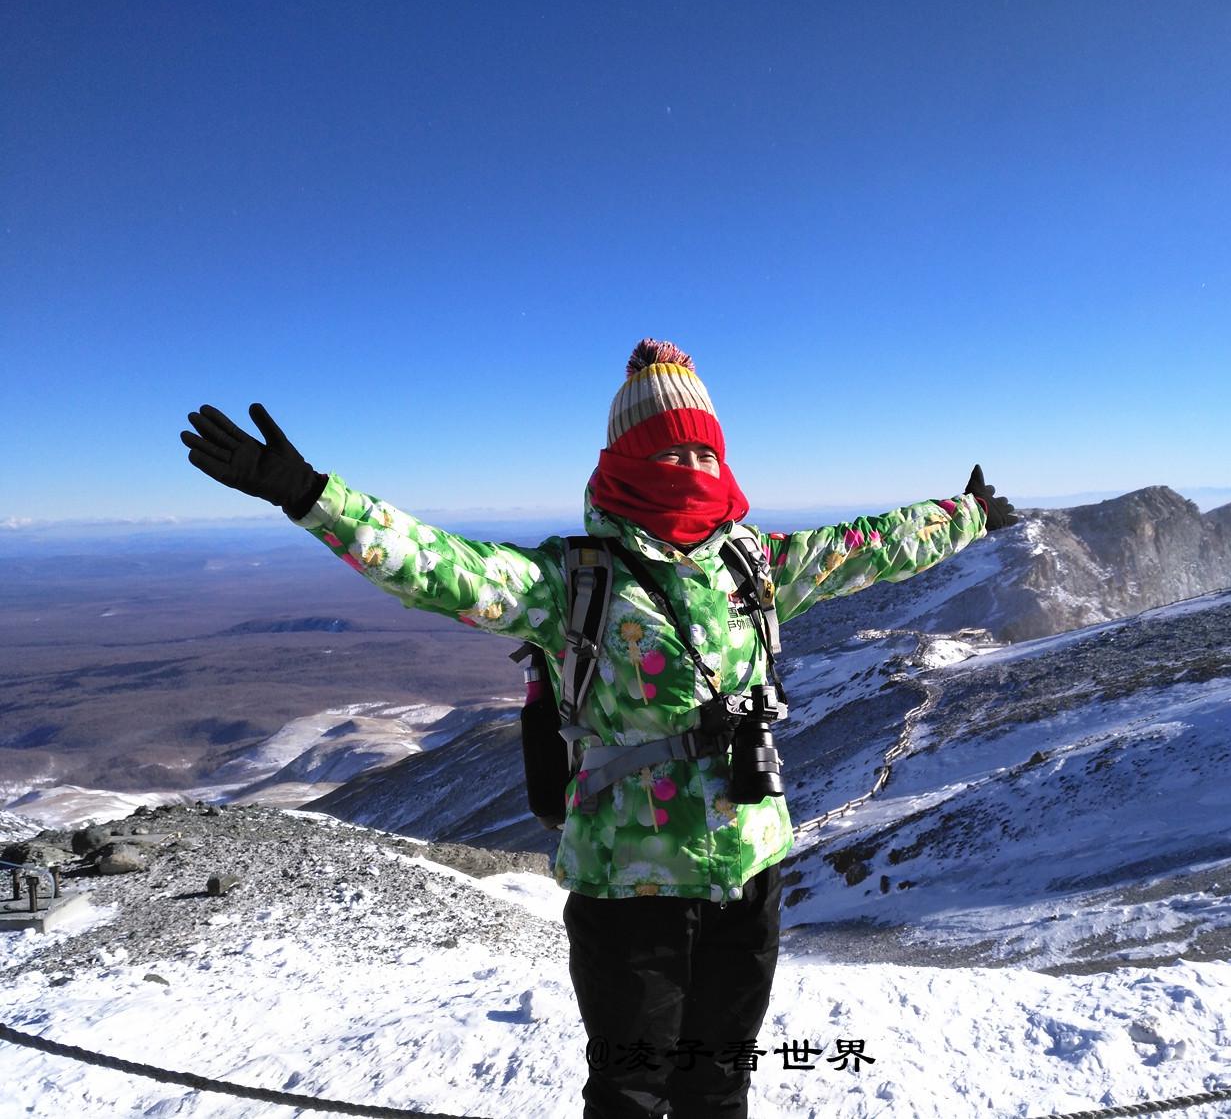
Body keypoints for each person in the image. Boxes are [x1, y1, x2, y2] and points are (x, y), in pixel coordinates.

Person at [179, 338, 1018, 1119]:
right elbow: (444, 567)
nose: (692, 467)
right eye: (671, 451)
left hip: (747, 872)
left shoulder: (750, 563)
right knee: (629, 1089)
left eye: (703, 452)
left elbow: (867, 545)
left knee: (721, 1083)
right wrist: (313, 496)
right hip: (629, 889)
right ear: (625, 460)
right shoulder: (572, 577)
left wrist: (967, 512)